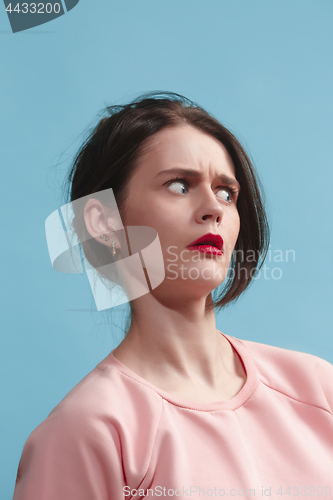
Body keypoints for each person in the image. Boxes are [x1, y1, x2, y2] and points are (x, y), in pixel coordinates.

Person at [13, 93, 333, 500]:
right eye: (179, 186)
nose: (212, 209)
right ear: (103, 223)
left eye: (226, 192)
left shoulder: (317, 389)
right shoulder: (88, 430)